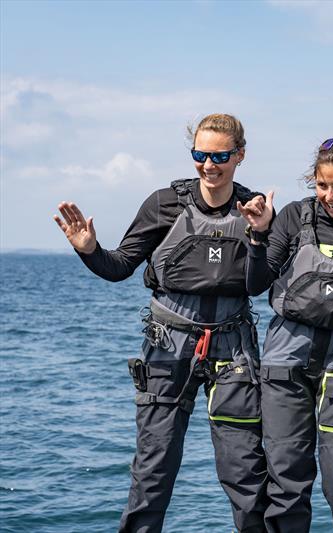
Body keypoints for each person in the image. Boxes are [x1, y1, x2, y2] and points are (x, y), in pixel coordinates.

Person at [53, 113, 269, 532]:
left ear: (240, 155)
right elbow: (118, 267)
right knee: (153, 473)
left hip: (234, 350)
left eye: (220, 155)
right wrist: (89, 249)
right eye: (200, 155)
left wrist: (260, 236)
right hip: (168, 347)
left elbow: (260, 283)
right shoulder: (164, 204)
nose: (209, 165)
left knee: (245, 474)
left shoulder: (254, 209)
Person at [241, 134, 333, 532]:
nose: (330, 195)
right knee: (286, 479)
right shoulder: (293, 216)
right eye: (322, 185)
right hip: (285, 365)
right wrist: (257, 236)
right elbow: (256, 283)